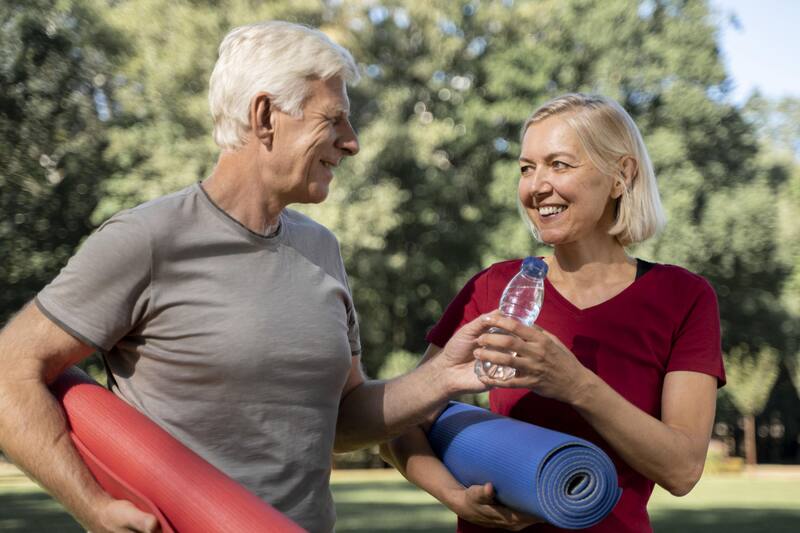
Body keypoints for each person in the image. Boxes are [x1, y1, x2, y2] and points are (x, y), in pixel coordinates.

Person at [0, 21, 493, 533]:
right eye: (334, 120)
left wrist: (441, 378)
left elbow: (340, 419)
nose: (352, 143)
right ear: (265, 117)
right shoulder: (147, 239)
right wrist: (91, 506)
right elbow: (9, 373)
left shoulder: (320, 248)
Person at [382, 93, 725, 533]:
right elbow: (399, 423)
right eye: (527, 168)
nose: (536, 186)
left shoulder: (684, 296)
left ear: (622, 175)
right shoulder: (493, 287)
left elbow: (682, 471)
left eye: (559, 164)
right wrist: (454, 497)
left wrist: (575, 384)